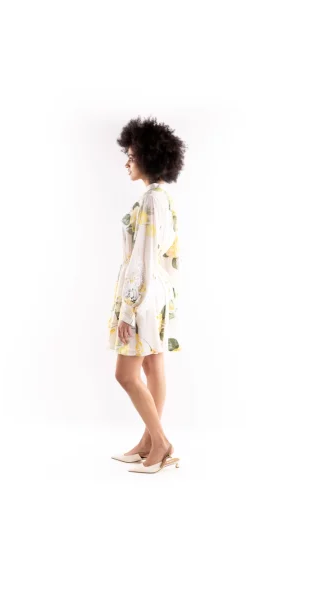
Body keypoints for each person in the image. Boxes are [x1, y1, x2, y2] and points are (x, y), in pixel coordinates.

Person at [107, 116, 187, 474]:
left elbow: (142, 257)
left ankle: (161, 443)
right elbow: (168, 259)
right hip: (156, 294)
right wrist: (163, 300)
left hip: (142, 297)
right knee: (153, 366)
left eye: (131, 155)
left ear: (149, 156)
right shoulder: (164, 198)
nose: (127, 162)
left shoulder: (151, 201)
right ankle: (147, 443)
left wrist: (129, 309)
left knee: (125, 375)